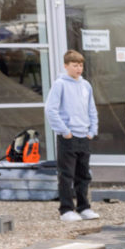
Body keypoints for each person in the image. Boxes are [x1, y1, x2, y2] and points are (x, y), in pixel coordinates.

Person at [45, 49, 99, 222]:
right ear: (66, 66)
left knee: (83, 175)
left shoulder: (86, 85)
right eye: (75, 65)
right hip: (68, 137)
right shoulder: (60, 84)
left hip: (84, 135)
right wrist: (64, 131)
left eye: (81, 65)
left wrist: (92, 130)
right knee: (66, 175)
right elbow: (51, 109)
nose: (78, 69)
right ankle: (66, 209)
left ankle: (84, 207)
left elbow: (92, 109)